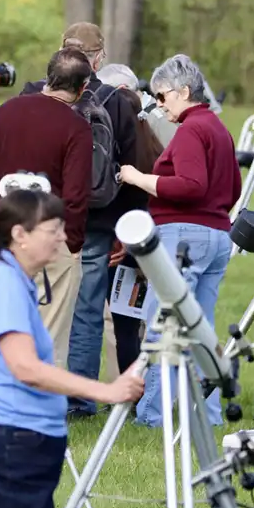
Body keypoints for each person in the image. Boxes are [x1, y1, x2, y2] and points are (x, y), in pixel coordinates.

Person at [0, 188, 145, 508]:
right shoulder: (3, 280)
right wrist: (107, 392)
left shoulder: (5, 276)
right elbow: (25, 366)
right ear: (20, 234)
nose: (62, 238)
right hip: (7, 442)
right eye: (53, 229)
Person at [23, 23, 146, 418]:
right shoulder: (116, 100)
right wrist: (125, 228)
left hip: (34, 219)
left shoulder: (27, 96)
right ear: (99, 59)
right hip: (94, 223)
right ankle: (78, 401)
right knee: (88, 313)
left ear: (60, 53)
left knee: (34, 307)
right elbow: (132, 168)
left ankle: (35, 391)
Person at [119, 54, 241, 427]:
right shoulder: (217, 127)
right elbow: (233, 187)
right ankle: (208, 414)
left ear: (183, 92)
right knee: (200, 329)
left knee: (163, 326)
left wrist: (138, 178)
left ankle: (152, 415)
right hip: (218, 235)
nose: (158, 104)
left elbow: (191, 185)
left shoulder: (190, 130)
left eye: (162, 96)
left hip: (183, 237)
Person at [0, 47, 94, 369]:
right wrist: (72, 244)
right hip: (53, 240)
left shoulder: (8, 110)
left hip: (6, 239)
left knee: (3, 330)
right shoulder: (76, 127)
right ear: (83, 88)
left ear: (48, 77)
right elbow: (77, 195)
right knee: (48, 337)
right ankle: (39, 411)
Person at [95, 65, 164, 378]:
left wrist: (118, 235)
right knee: (138, 321)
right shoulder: (155, 134)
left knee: (121, 323)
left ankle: (129, 390)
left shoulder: (112, 137)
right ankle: (143, 390)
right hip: (148, 238)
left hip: (119, 241)